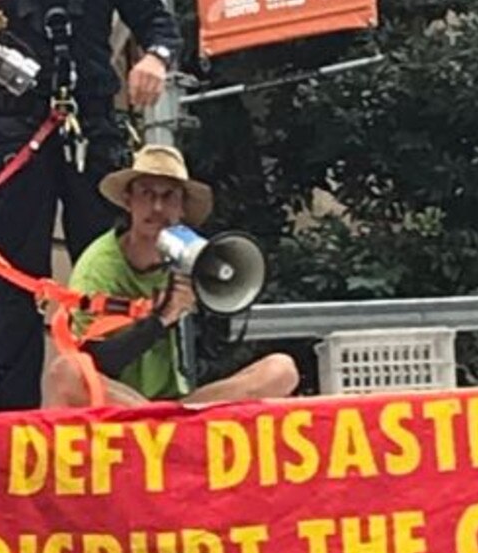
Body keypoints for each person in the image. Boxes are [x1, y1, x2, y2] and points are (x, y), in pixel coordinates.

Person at [0, 0, 181, 411]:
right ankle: (12, 414)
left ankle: (106, 395)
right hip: (20, 133)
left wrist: (155, 59)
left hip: (90, 130)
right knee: (16, 277)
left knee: (104, 267)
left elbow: (158, 21)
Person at [46, 144, 299, 407]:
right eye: (146, 194)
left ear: (182, 210)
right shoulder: (99, 266)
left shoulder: (188, 257)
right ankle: (157, 424)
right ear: (128, 202)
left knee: (282, 370)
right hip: (118, 402)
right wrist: (159, 320)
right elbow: (93, 362)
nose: (157, 207)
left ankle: (168, 423)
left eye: (169, 197)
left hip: (175, 405)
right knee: (66, 373)